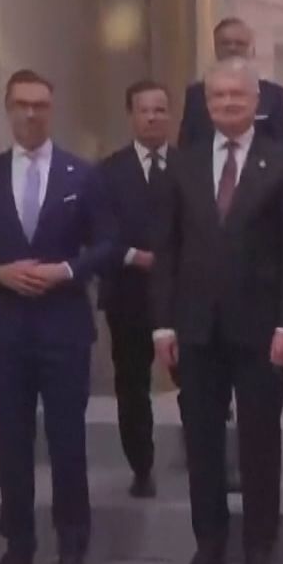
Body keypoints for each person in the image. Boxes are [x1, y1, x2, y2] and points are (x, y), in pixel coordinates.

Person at [0, 68, 116, 564]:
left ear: (51, 110)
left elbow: (108, 245)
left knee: (67, 442)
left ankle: (72, 544)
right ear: (8, 109)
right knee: (12, 442)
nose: (31, 114)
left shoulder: (81, 175)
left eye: (40, 105)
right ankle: (18, 546)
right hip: (5, 329)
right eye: (21, 104)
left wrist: (66, 271)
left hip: (64, 326)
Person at [151, 59, 283, 564]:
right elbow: (167, 250)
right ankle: (209, 545)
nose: (227, 104)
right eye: (218, 96)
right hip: (196, 327)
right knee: (202, 442)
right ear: (206, 103)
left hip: (261, 328)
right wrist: (163, 326)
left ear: (256, 100)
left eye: (237, 95)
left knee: (260, 441)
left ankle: (260, 546)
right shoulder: (183, 163)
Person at [96, 80, 173, 500]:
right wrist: (135, 256)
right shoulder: (108, 171)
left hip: (182, 294)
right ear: (131, 115)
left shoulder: (191, 166)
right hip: (128, 292)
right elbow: (97, 233)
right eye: (145, 110)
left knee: (201, 384)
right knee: (132, 385)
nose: (153, 118)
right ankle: (141, 466)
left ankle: (211, 462)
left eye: (160, 110)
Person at [179, 17, 283, 147]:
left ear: (251, 49)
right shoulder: (196, 94)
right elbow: (187, 143)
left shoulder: (273, 94)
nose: (232, 48)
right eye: (225, 43)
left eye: (240, 43)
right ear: (215, 47)